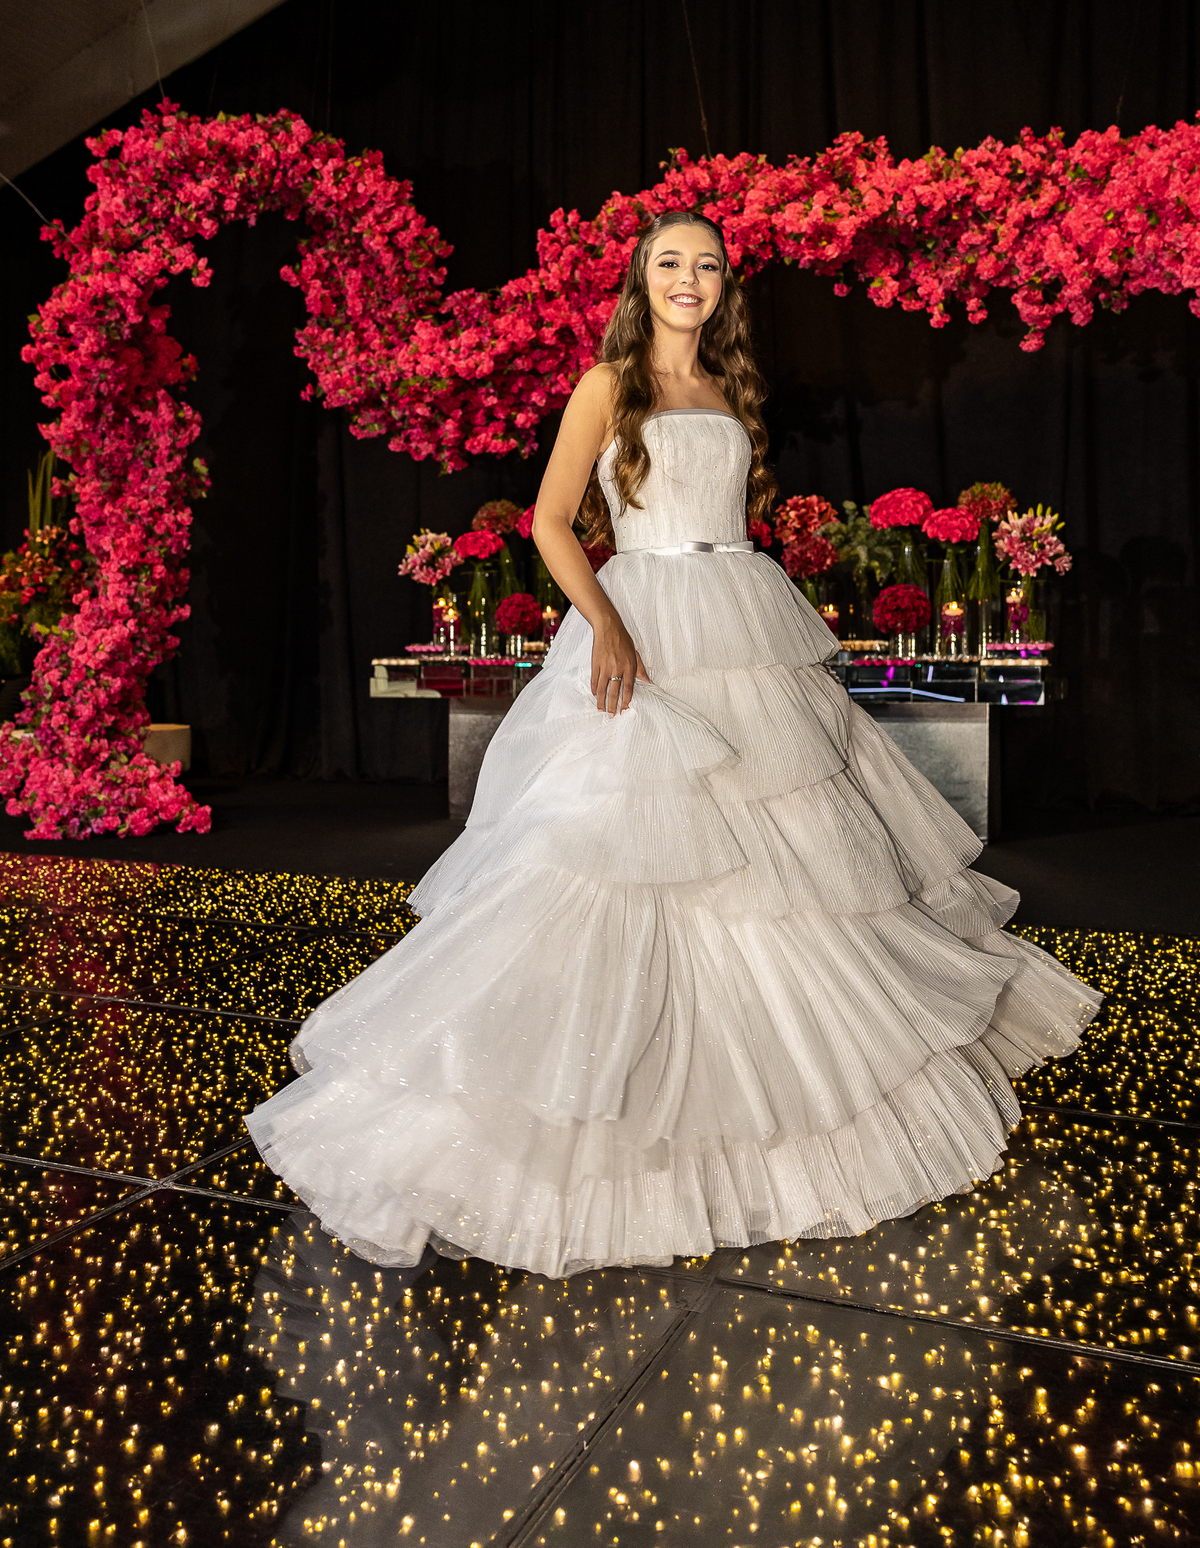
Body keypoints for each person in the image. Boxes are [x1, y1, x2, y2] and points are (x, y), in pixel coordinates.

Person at [246, 210, 1100, 1278]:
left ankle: (771, 1112)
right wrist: (607, 624)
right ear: (640, 280)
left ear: (724, 285)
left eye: (706, 265)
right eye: (669, 263)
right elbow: (550, 521)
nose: (688, 278)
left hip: (741, 619)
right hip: (646, 623)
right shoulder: (609, 384)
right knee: (614, 855)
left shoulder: (729, 387)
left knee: (779, 859)